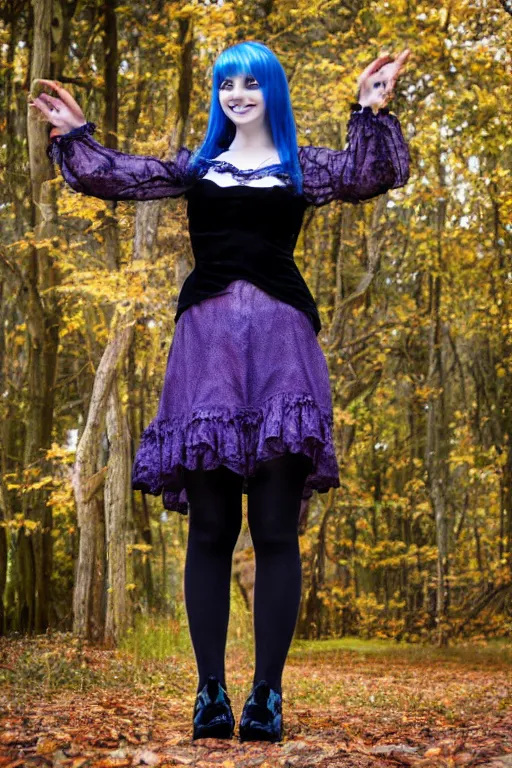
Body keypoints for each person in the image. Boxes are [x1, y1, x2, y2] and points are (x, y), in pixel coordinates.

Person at [30, 40, 410, 744]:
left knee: (272, 531)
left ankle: (266, 696)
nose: (238, 93)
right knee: (210, 528)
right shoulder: (198, 166)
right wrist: (76, 135)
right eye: (226, 83)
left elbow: (373, 171)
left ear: (272, 90)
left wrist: (370, 105)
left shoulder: (304, 169)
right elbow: (115, 175)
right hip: (204, 360)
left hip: (283, 357)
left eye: (251, 82)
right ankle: (210, 694)